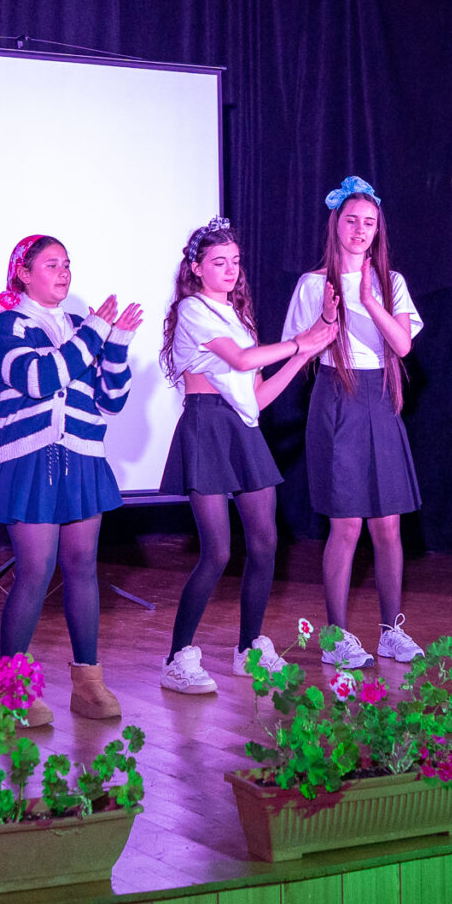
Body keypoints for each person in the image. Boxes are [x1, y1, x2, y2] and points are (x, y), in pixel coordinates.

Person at [154, 218, 338, 696]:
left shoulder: (240, 318)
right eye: (219, 262)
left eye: (235, 261)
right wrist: (299, 341)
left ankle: (249, 649)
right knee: (217, 551)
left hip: (242, 428)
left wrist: (304, 354)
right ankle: (177, 658)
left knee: (265, 543)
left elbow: (257, 397)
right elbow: (239, 360)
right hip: (207, 426)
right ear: (196, 268)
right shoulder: (192, 309)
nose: (230, 269)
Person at [0, 234, 143, 726]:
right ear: (24, 274)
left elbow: (111, 399)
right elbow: (40, 378)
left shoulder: (78, 326)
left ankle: (88, 682)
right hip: (30, 458)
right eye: (51, 264)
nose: (64, 272)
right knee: (35, 569)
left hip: (82, 455)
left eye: (67, 263)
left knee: (83, 565)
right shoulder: (7, 324)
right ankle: (10, 690)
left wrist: (118, 343)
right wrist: (95, 332)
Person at [282, 177, 424, 669]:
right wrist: (326, 320)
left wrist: (368, 300)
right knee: (345, 525)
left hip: (379, 400)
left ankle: (390, 632)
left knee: (388, 524)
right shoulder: (312, 284)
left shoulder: (391, 282)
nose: (360, 230)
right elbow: (300, 352)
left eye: (369, 223)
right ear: (335, 225)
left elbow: (402, 345)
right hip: (336, 398)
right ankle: (336, 636)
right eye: (351, 221)